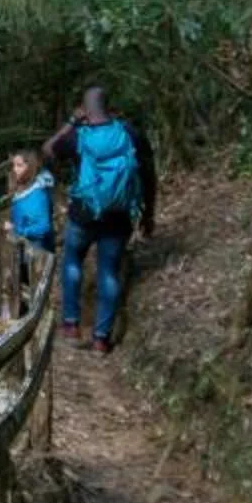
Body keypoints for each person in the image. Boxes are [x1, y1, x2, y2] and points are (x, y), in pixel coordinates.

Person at [43, 87, 155, 354]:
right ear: (109, 106)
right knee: (108, 272)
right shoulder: (130, 134)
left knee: (71, 261)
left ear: (84, 107)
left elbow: (47, 150)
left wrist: (71, 121)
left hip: (83, 215)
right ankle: (101, 339)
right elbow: (149, 176)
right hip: (118, 217)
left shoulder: (78, 136)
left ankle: (71, 325)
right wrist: (148, 213)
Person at [5, 148, 58, 292]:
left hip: (37, 255)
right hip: (25, 251)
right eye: (14, 165)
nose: (15, 170)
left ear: (30, 167)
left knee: (36, 293)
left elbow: (43, 227)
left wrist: (17, 230)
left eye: (20, 165)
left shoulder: (37, 195)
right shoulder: (23, 190)